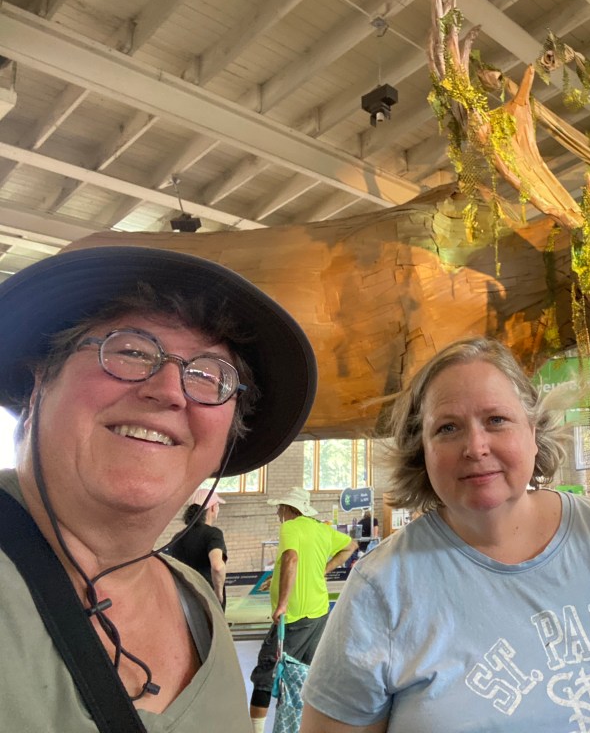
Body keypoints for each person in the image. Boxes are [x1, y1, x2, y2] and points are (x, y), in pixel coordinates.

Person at [300, 337, 590, 732]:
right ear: (421, 450)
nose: (476, 447)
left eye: (496, 420)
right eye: (447, 428)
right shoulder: (382, 586)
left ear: (533, 432)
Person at [0, 246, 317, 732]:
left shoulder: (197, 604)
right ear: (39, 381)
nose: (169, 390)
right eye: (130, 351)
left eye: (209, 375)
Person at [249, 487, 356, 732]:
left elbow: (292, 559)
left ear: (289, 509)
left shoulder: (290, 527)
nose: (278, 513)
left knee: (266, 673)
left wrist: (282, 604)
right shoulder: (322, 529)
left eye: (279, 508)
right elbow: (351, 546)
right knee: (305, 673)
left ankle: (256, 729)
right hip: (319, 613)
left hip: (294, 616)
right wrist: (323, 569)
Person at [165, 487, 229, 608]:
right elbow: (217, 567)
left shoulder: (177, 537)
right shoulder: (213, 534)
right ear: (213, 508)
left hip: (183, 601)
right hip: (207, 600)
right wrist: (218, 593)